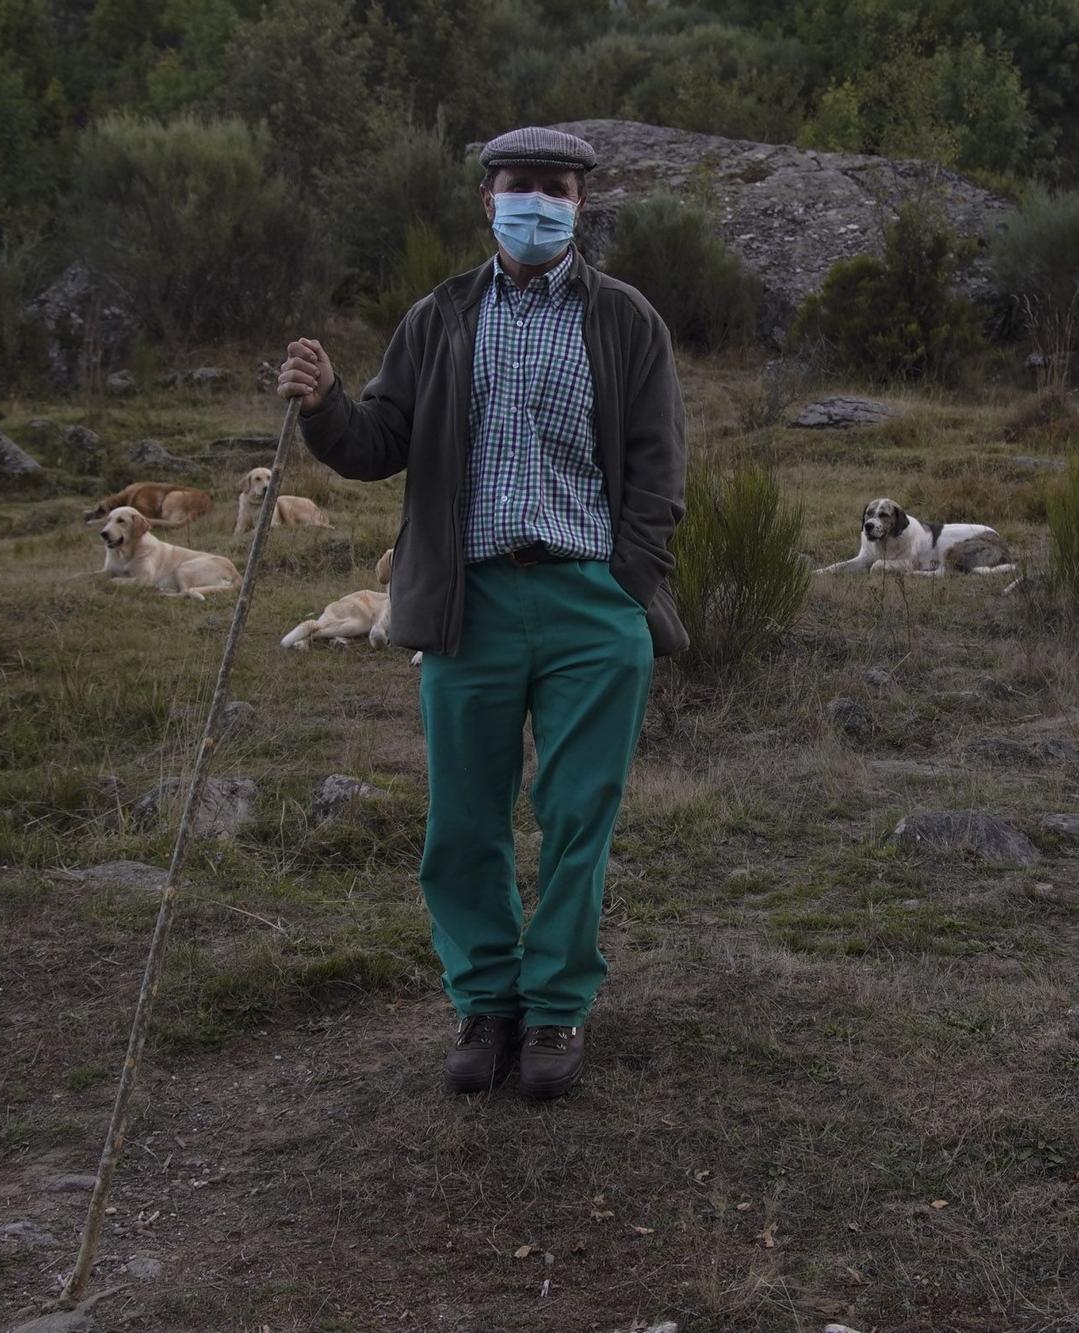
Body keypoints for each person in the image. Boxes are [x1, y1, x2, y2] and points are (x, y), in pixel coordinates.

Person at [276, 126, 687, 1101]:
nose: (535, 202)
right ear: (485, 199)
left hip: (592, 601)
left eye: (554, 188)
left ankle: (554, 1009)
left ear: (580, 205)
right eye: (517, 186)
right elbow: (378, 441)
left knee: (576, 815)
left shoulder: (627, 320)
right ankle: (485, 1001)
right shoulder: (441, 316)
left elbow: (657, 468)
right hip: (471, 601)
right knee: (463, 822)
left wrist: (627, 584)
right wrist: (326, 402)